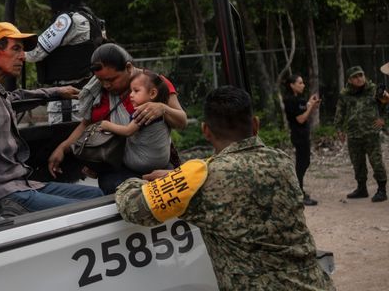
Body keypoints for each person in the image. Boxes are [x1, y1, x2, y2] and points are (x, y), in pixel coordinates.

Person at [115, 86, 335, 290]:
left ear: (206, 131)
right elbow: (234, 174)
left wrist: (131, 179)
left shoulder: (203, 181)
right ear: (255, 125)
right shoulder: (282, 161)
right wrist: (179, 176)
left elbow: (134, 207)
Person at [0, 22, 104, 223]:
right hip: (0, 191)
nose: (22, 56)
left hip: (20, 183)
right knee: (89, 212)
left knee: (97, 197)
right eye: (16, 49)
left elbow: (16, 98)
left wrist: (58, 92)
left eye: (22, 50)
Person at [48, 43, 187, 194]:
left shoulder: (154, 85)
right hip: (118, 169)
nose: (106, 85)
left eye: (112, 79)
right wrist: (63, 147)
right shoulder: (98, 93)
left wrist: (163, 108)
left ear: (128, 68)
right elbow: (86, 124)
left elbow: (182, 122)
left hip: (156, 164)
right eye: (101, 80)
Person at [25, 0, 105, 123]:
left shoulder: (68, 20)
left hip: (68, 101)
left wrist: (13, 51)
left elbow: (35, 53)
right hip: (86, 95)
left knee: (63, 144)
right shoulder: (91, 17)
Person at [98, 69, 172, 179]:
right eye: (131, 91)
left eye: (136, 91)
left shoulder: (143, 111)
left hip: (142, 163)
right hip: (162, 160)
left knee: (117, 147)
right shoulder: (162, 111)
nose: (131, 95)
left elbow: (127, 131)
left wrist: (107, 125)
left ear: (152, 93)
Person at [334, 66, 387, 202]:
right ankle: (361, 188)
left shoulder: (374, 90)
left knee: (376, 162)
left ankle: (382, 190)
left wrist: (383, 118)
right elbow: (340, 112)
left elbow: (387, 103)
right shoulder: (345, 94)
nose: (359, 79)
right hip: (353, 134)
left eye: (361, 75)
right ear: (350, 80)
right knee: (357, 163)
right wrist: (339, 129)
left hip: (371, 133)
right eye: (355, 77)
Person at [283, 74, 322, 206]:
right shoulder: (291, 100)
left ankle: (298, 190)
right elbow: (300, 119)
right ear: (292, 85)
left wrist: (310, 103)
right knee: (302, 163)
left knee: (304, 162)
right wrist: (311, 107)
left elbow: (302, 110)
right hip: (299, 135)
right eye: (299, 83)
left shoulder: (297, 99)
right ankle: (298, 193)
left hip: (302, 134)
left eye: (302, 82)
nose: (303, 85)